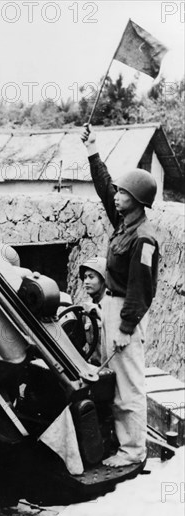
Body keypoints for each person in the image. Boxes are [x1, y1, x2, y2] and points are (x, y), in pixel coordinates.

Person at [81, 125, 159, 468]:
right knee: (113, 381)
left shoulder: (143, 238)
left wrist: (126, 328)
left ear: (137, 200)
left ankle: (133, 452)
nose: (116, 195)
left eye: (123, 193)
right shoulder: (124, 223)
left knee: (129, 385)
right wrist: (92, 150)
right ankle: (122, 443)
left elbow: (143, 290)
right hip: (111, 308)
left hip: (126, 313)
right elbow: (103, 188)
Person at [79, 256, 107, 366]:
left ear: (103, 280)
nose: (86, 282)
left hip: (112, 370)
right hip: (94, 369)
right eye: (85, 277)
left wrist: (97, 313)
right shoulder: (87, 308)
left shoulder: (112, 307)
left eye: (91, 277)